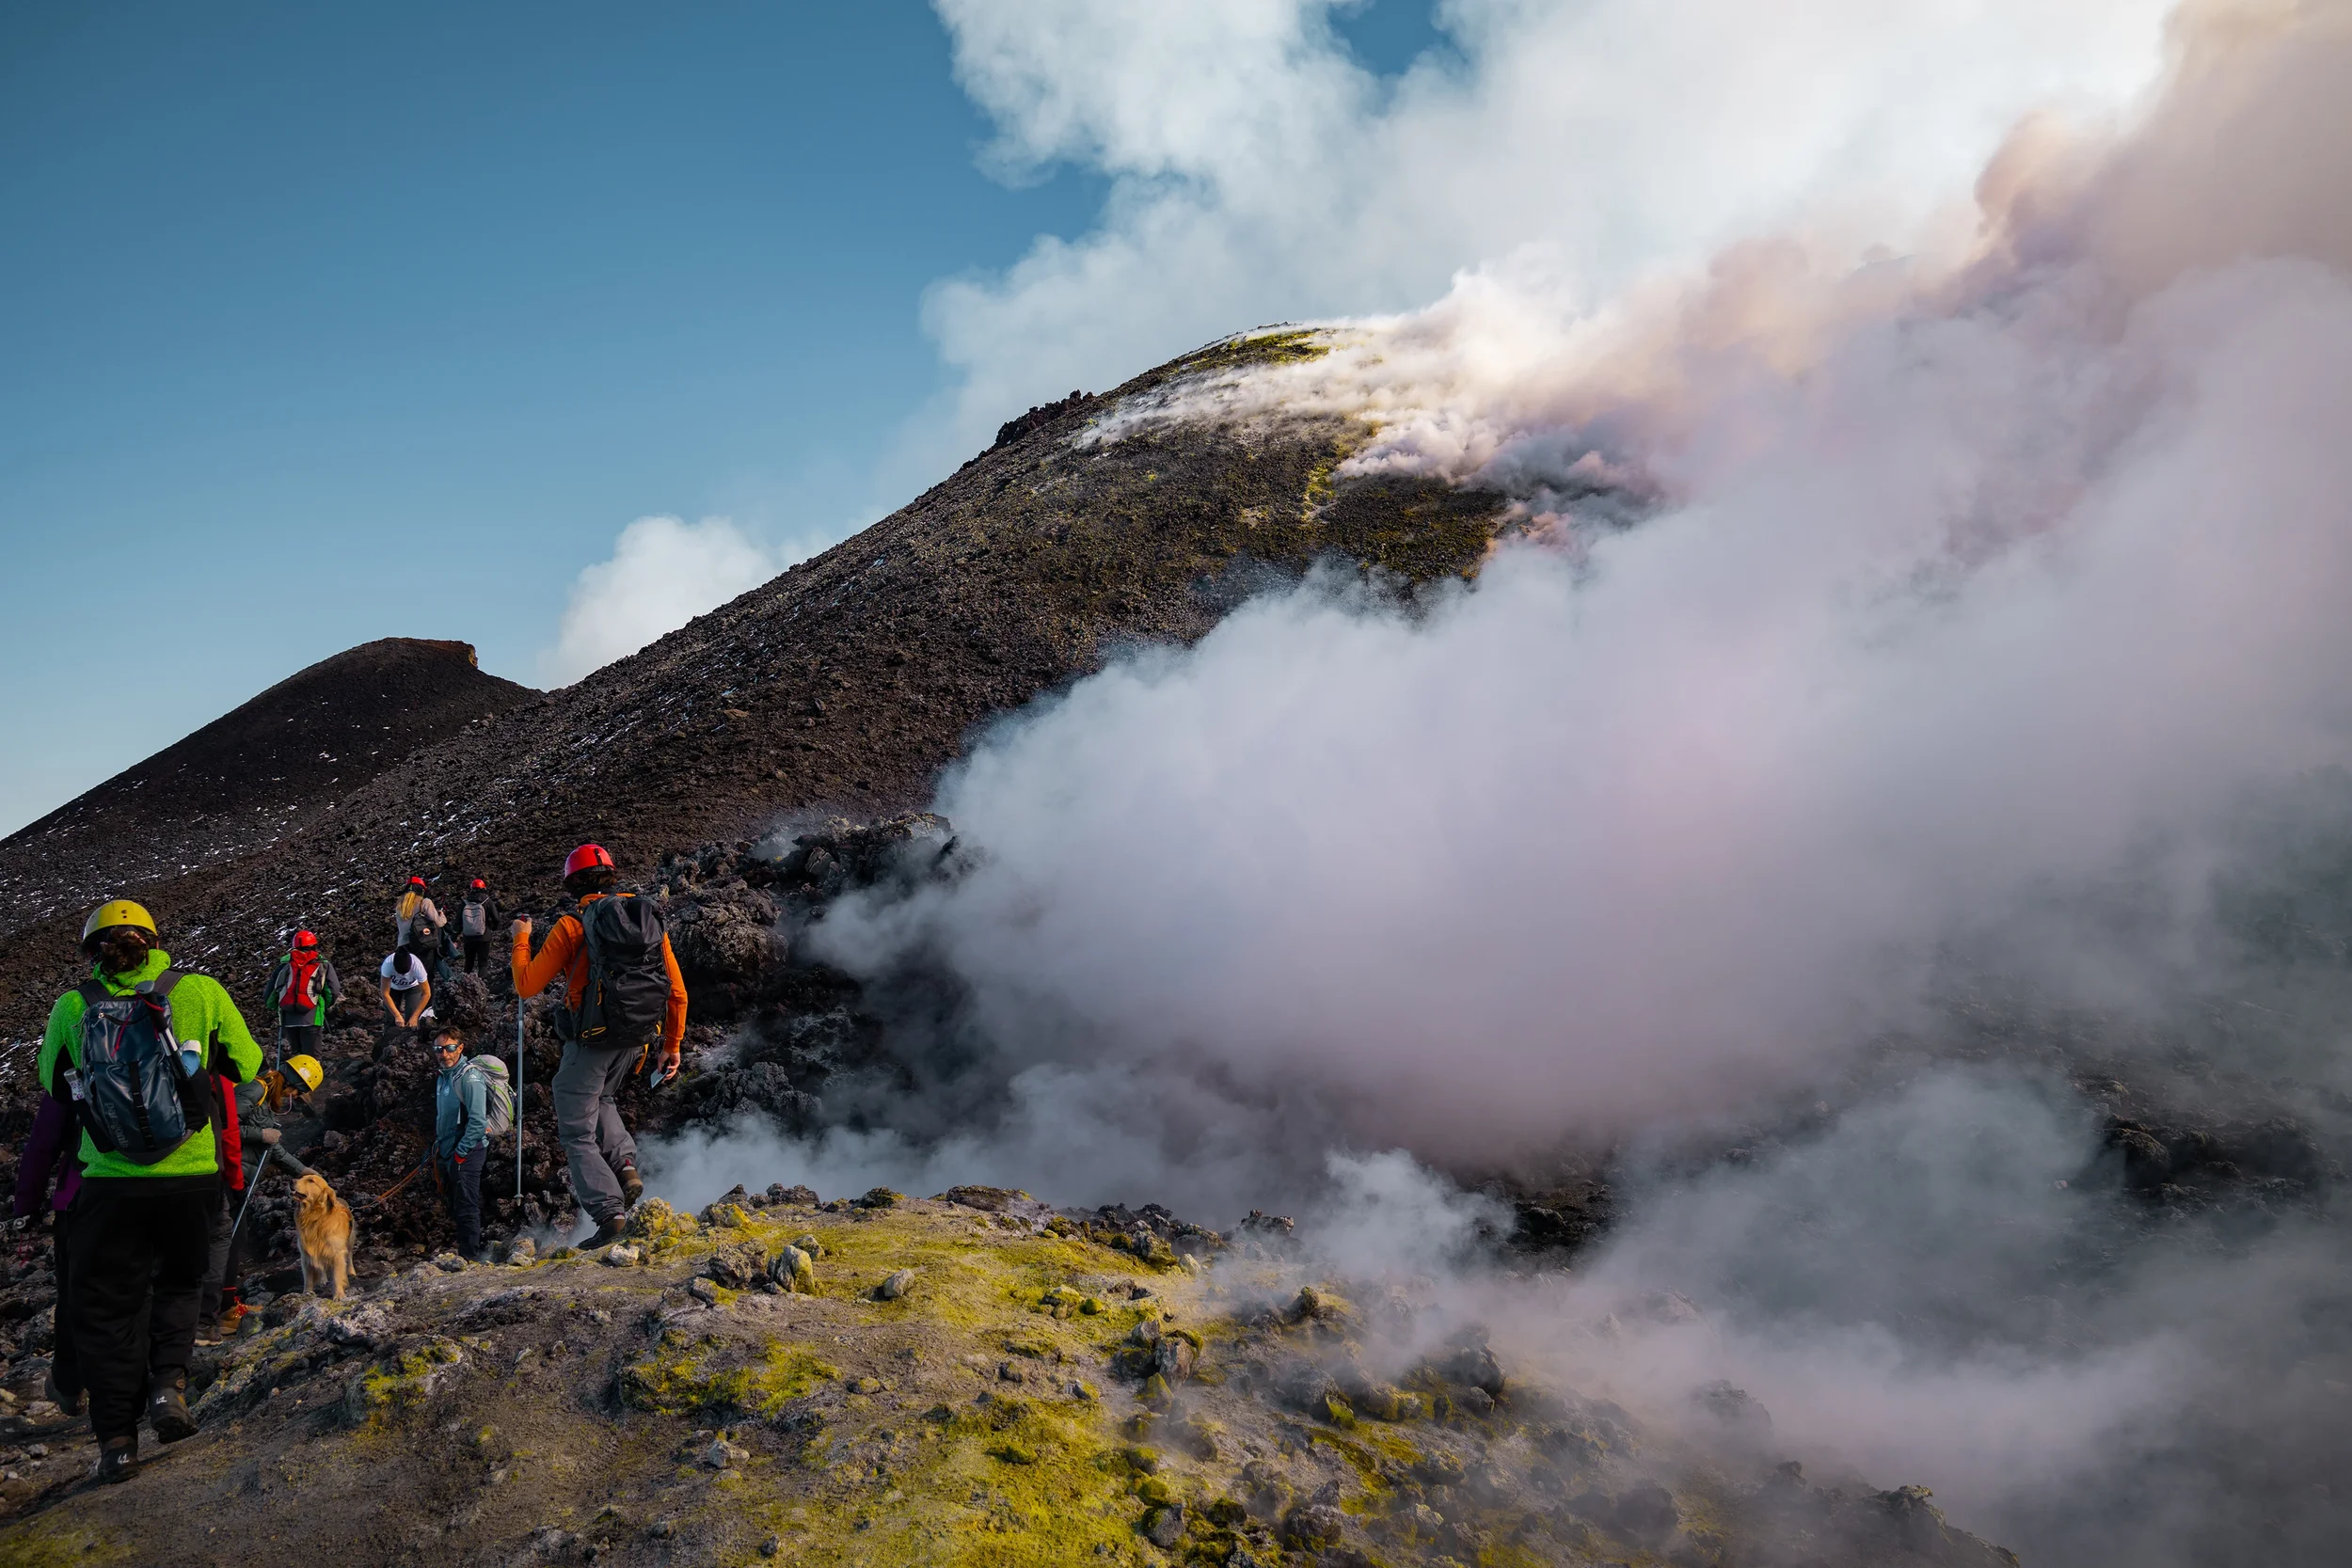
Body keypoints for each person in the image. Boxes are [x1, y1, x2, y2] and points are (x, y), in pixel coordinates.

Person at [37, 898, 261, 1483]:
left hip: (108, 1184)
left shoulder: (72, 1006)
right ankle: (168, 1388)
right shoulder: (201, 990)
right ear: (155, 942)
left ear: (93, 952)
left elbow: (52, 1086)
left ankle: (116, 1443)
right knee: (181, 1283)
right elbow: (247, 1062)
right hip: (189, 1175)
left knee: (109, 1309)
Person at [511, 843, 686, 1250]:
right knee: (603, 1097)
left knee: (576, 1131)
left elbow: (526, 985)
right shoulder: (646, 919)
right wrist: (671, 1045)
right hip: (638, 1039)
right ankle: (625, 1166)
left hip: (591, 1042)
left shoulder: (573, 925)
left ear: (573, 883)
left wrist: (521, 941)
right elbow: (676, 992)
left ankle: (610, 1215)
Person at [10, 1096, 84, 1416]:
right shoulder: (174, 1046)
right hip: (165, 1187)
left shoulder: (72, 1046)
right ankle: (155, 1386)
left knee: (75, 1297)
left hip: (82, 1194)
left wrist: (26, 1206)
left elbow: (44, 1139)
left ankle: (69, 1385)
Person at [428, 1026, 490, 1261]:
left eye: (449, 1048)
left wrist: (460, 1154)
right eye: (439, 1049)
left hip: (467, 1151)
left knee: (466, 1205)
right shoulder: (444, 1076)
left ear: (460, 1048)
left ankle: (470, 1258)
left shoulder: (469, 1077)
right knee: (457, 1203)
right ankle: (465, 1253)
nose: (444, 1053)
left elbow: (477, 1121)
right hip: (447, 1150)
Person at [263, 929, 341, 1070]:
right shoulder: (322, 964)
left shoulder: (284, 964)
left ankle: (294, 1087)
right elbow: (334, 989)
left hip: (288, 1018)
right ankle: (310, 1087)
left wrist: (279, 1007)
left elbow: (269, 994)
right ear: (314, 946)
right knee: (312, 1058)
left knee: (296, 1055)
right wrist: (322, 1004)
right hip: (311, 1017)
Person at [378, 946, 434, 1045]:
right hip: (394, 988)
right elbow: (385, 993)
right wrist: (397, 1015)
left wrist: (415, 1016)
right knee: (391, 1019)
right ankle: (387, 1043)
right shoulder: (387, 965)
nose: (403, 976)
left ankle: (408, 1044)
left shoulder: (418, 966)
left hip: (413, 987)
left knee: (411, 1020)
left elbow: (427, 993)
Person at [456, 879, 500, 975]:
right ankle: (481, 987)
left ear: (471, 889)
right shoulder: (488, 901)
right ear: (484, 888)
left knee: (468, 963)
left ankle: (464, 985)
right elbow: (496, 918)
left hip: (468, 938)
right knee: (483, 964)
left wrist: (454, 937)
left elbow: (457, 922)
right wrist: (492, 927)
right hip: (484, 937)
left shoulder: (464, 903)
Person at [393, 875, 444, 955]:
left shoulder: (399, 907)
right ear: (422, 890)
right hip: (421, 944)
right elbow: (438, 923)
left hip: (402, 947)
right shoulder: (425, 902)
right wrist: (442, 916)